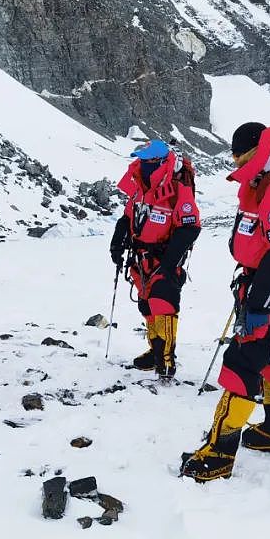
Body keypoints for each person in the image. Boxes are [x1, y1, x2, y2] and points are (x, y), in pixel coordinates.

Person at [180, 124, 270, 482]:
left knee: (242, 363)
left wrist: (259, 305)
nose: (235, 161)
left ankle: (219, 454)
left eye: (239, 154)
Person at [109, 139, 200, 382]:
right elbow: (128, 216)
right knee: (146, 305)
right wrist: (118, 242)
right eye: (140, 160)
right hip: (140, 259)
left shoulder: (178, 189)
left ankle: (166, 359)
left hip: (164, 259)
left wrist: (170, 264)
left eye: (146, 161)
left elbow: (190, 227)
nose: (141, 164)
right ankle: (155, 350)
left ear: (159, 162)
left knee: (164, 306)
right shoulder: (139, 186)